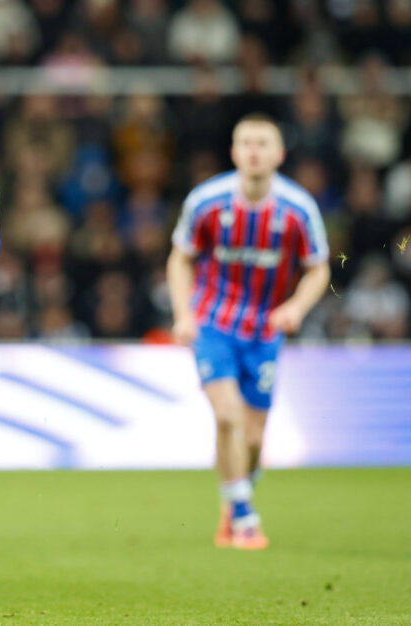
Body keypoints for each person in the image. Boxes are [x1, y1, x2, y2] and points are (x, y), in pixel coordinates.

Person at [167, 113, 330, 550]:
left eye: (263, 143)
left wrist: (295, 307)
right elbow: (180, 257)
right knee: (226, 416)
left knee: (254, 438)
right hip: (213, 324)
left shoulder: (298, 209)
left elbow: (319, 268)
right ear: (234, 152)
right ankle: (244, 517)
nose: (254, 150)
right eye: (246, 142)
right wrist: (183, 313)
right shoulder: (207, 201)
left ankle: (234, 494)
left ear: (279, 154)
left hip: (264, 330)